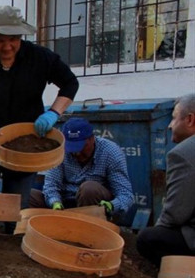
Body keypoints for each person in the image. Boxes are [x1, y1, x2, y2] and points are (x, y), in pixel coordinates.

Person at [0, 5, 79, 234]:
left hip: (25, 145)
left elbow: (70, 83)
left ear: (21, 36)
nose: (6, 46)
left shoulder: (40, 58)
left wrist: (53, 113)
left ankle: (12, 259)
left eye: (13, 39)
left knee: (18, 206)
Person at [30, 117, 133, 222]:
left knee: (89, 189)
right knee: (29, 196)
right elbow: (51, 185)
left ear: (91, 139)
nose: (77, 153)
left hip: (94, 205)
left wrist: (111, 206)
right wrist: (55, 202)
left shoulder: (110, 152)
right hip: (65, 203)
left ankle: (88, 232)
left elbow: (125, 194)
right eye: (72, 148)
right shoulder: (60, 151)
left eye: (80, 147)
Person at [137, 93, 195, 266]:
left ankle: (182, 275)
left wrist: (158, 228)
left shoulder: (183, 153)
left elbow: (175, 214)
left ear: (190, 120)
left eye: (174, 118)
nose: (170, 126)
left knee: (148, 239)